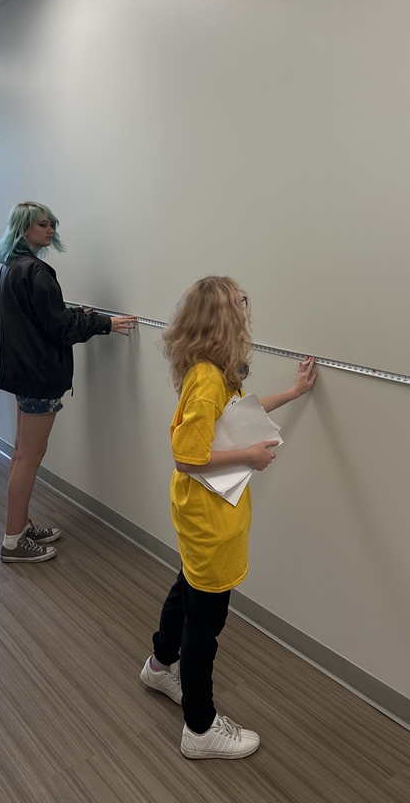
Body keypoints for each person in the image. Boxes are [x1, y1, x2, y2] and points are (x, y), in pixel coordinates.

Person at [139, 276, 317, 760]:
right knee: (205, 626)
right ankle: (199, 728)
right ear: (223, 323)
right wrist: (250, 458)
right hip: (211, 521)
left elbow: (240, 414)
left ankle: (159, 666)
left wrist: (293, 392)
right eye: (240, 310)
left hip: (199, 517)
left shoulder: (210, 374)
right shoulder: (208, 382)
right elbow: (187, 456)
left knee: (187, 589)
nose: (246, 318)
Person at [0, 201, 136, 564]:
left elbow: (40, 320)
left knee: (21, 452)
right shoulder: (37, 271)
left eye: (51, 224)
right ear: (23, 230)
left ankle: (21, 526)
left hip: (22, 372)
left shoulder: (8, 268)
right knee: (29, 455)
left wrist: (77, 315)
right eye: (42, 225)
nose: (50, 230)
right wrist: (105, 323)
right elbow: (59, 329)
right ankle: (13, 540)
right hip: (40, 375)